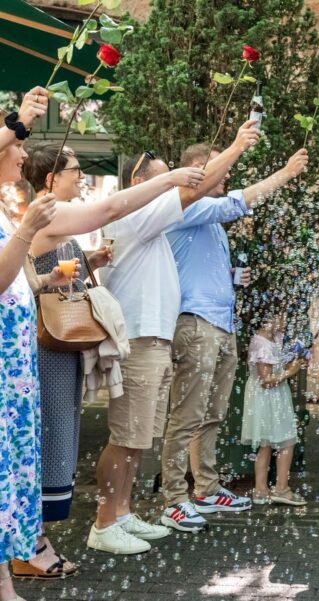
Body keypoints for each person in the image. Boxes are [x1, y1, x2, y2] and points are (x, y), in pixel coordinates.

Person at [11, 141, 203, 575]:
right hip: (47, 350)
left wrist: (89, 259)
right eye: (75, 170)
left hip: (62, 349)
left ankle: (35, 542)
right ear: (50, 178)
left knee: (57, 439)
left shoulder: (55, 220)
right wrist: (171, 179)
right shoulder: (48, 213)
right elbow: (109, 210)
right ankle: (29, 548)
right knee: (48, 441)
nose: (81, 177)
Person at [88, 121, 259, 555]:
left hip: (158, 339)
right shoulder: (136, 213)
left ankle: (123, 514)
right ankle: (106, 520)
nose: (177, 184)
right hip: (141, 339)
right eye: (165, 176)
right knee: (126, 435)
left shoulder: (153, 223)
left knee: (139, 436)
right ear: (139, 183)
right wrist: (238, 145)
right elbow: (191, 193)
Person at [160, 141, 309, 532]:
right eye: (220, 169)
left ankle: (206, 488)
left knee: (212, 414)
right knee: (187, 414)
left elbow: (193, 266)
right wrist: (286, 173)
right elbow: (239, 201)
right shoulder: (185, 204)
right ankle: (174, 498)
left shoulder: (210, 223)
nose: (226, 177)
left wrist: (230, 278)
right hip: (195, 325)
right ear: (197, 168)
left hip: (222, 326)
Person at [0, 93, 75, 601]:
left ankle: (4, 581)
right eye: (14, 146)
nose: (23, 153)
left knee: (7, 480)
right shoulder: (16, 219)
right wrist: (20, 118)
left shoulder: (5, 213)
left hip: (14, 375)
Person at [241, 312, 307, 507]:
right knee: (286, 440)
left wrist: (295, 357)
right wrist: (291, 371)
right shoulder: (262, 343)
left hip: (272, 397)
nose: (285, 320)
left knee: (267, 443)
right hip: (270, 398)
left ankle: (261, 491)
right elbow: (266, 381)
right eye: (281, 316)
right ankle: (281, 488)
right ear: (268, 319)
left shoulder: (274, 339)